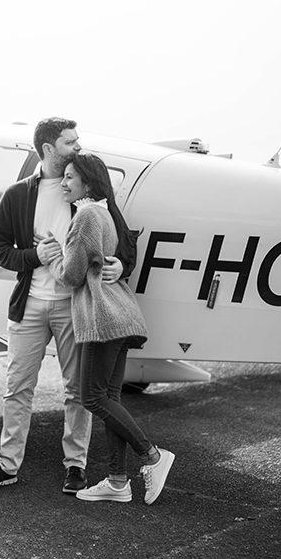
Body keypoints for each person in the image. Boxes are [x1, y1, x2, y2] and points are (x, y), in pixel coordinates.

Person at [0, 118, 136, 494]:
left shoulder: (85, 192)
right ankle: (7, 465)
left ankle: (75, 466)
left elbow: (124, 239)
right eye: (69, 142)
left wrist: (122, 265)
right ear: (47, 149)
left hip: (74, 307)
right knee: (17, 388)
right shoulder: (17, 194)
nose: (77, 147)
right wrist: (35, 255)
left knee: (77, 391)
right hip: (29, 305)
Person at [47, 152, 175, 505]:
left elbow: (71, 275)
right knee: (110, 399)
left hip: (102, 320)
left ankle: (152, 455)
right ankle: (118, 481)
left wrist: (53, 255)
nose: (64, 183)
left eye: (70, 177)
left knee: (92, 397)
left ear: (87, 182)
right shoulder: (106, 213)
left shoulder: (87, 215)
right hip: (120, 316)